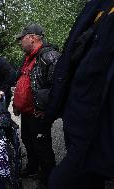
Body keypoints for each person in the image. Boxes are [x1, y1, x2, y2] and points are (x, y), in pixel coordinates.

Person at [46, 1, 114, 188]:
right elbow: (72, 57)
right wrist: (55, 104)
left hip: (98, 127)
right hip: (77, 120)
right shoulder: (98, 6)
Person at [13, 23, 60, 189]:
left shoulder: (50, 56)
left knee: (42, 146)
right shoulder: (28, 58)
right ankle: (33, 167)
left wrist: (45, 108)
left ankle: (48, 178)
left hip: (38, 113)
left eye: (22, 38)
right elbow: (22, 82)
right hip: (26, 112)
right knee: (27, 140)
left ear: (32, 37)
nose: (20, 42)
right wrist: (16, 103)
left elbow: (58, 87)